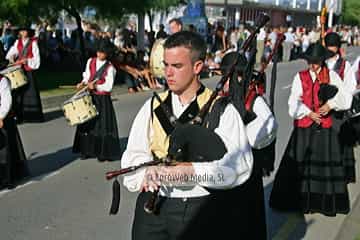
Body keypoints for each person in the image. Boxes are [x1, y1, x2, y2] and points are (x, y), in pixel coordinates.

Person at [121, 31, 254, 240]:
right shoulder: (153, 105)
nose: (168, 73)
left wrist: (192, 171)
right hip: (153, 209)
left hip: (198, 210)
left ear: (198, 67)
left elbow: (239, 168)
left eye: (177, 66)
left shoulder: (221, 109)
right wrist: (146, 173)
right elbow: (133, 154)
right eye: (165, 65)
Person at [269, 43, 353, 216]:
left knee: (323, 168)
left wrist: (330, 105)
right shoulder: (300, 77)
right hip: (304, 128)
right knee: (299, 166)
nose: (312, 66)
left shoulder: (332, 76)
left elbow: (346, 98)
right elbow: (293, 103)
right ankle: (297, 202)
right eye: (310, 62)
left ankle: (320, 203)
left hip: (325, 130)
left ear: (322, 61)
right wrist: (308, 112)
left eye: (316, 62)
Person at [72, 39, 120, 162]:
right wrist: (82, 83)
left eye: (102, 52)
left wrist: (97, 86)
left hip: (103, 100)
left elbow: (109, 86)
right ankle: (87, 150)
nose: (99, 54)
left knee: (102, 126)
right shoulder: (90, 61)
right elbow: (87, 76)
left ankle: (103, 153)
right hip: (91, 97)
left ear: (107, 53)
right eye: (98, 51)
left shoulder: (111, 68)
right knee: (87, 123)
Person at [325, 32, 357, 184]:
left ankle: (338, 177)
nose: (330, 49)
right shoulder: (320, 62)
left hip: (338, 112)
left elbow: (350, 89)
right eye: (328, 46)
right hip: (320, 111)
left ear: (337, 48)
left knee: (338, 145)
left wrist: (335, 102)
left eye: (333, 46)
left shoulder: (345, 66)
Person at [0, 59, 28, 190]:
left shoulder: (3, 81)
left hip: (3, 118)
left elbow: (6, 101)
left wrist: (1, 116)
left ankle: (7, 178)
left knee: (5, 150)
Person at [6, 26, 43, 123]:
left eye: (25, 30)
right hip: (19, 71)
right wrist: (11, 57)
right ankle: (20, 116)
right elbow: (11, 53)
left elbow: (37, 59)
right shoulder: (17, 42)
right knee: (19, 94)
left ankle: (33, 117)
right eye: (21, 31)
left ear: (28, 32)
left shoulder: (33, 42)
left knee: (30, 92)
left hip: (29, 70)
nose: (23, 32)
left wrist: (27, 61)